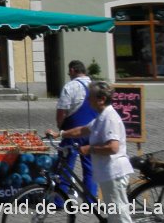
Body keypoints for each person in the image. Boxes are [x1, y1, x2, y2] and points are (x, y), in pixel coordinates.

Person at [47, 81, 133, 223]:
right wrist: (60, 134)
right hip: (107, 173)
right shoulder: (101, 116)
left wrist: (90, 149)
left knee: (120, 219)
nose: (87, 100)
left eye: (90, 97)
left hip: (114, 173)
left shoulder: (109, 118)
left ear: (101, 99)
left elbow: (113, 147)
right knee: (114, 217)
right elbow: (83, 130)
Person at [56, 60, 98, 197]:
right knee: (90, 166)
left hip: (73, 131)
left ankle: (60, 198)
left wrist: (60, 126)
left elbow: (62, 110)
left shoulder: (71, 86)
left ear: (73, 70)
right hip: (92, 130)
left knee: (65, 165)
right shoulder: (95, 86)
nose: (69, 74)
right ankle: (90, 199)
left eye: (69, 71)